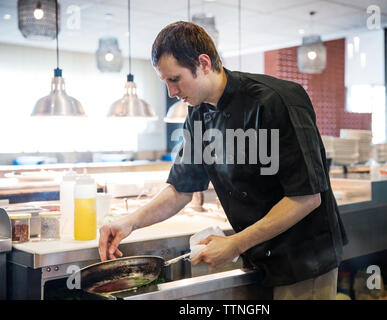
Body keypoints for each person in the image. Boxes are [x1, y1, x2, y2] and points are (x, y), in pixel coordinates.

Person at [98, 21, 348, 300]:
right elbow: (181, 188)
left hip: (304, 259)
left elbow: (306, 197)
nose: (171, 93)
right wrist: (129, 222)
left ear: (203, 63)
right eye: (165, 82)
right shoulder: (198, 114)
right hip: (258, 253)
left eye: (175, 79)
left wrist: (235, 244)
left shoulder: (276, 100)